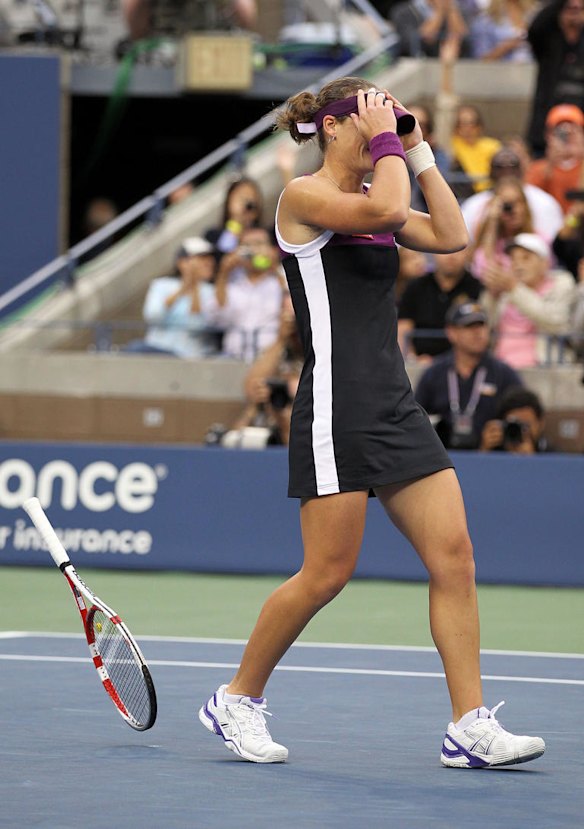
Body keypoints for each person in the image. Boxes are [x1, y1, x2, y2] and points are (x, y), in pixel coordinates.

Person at [198, 78, 545, 768]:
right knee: (327, 573)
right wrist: (390, 141)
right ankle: (236, 697)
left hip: (395, 402)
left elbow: (451, 235)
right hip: (336, 403)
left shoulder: (374, 197)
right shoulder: (301, 198)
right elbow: (388, 207)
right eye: (370, 113)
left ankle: (469, 725)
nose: (384, 125)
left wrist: (415, 148)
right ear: (332, 127)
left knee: (455, 557)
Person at [415, 301, 523, 449]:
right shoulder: (434, 374)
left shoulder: (504, 374)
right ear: (451, 332)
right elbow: (415, 418)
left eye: (481, 325)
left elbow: (523, 416)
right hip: (442, 455)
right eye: (469, 326)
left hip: (491, 456)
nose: (477, 332)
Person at [481, 232, 576, 367]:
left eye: (526, 258)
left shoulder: (561, 284)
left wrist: (515, 289)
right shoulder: (505, 289)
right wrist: (492, 297)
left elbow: (556, 322)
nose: (518, 264)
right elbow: (481, 328)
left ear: (545, 263)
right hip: (501, 368)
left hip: (542, 369)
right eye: (513, 259)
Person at [127, 237, 218, 356]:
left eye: (210, 258)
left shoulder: (211, 291)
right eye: (202, 258)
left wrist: (195, 287)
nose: (208, 263)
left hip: (189, 355)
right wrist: (183, 288)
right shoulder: (161, 285)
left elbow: (197, 326)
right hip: (156, 349)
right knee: (134, 348)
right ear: (182, 262)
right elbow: (153, 316)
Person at [206, 225, 285, 362]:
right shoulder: (232, 283)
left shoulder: (281, 278)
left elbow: (294, 304)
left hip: (271, 359)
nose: (253, 250)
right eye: (247, 245)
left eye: (259, 244)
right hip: (233, 357)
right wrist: (223, 273)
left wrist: (273, 266)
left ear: (272, 249)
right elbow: (217, 318)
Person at [461, 146, 565, 243]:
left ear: (521, 170)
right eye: (499, 167)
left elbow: (552, 243)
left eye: (512, 167)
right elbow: (466, 245)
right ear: (490, 171)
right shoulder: (474, 205)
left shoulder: (543, 202)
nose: (506, 172)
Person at [398, 249, 482, 360]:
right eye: (446, 250)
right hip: (420, 361)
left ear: (467, 253)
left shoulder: (478, 288)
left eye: (458, 250)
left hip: (464, 361)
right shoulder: (415, 287)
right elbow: (403, 330)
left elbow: (482, 331)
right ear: (434, 252)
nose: (451, 256)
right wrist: (412, 359)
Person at [526, 0, 584, 156]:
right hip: (546, 125)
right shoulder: (548, 40)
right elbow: (535, 27)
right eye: (569, 9)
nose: (574, 13)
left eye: (580, 9)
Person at [469, 175, 539, 279]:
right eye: (507, 204)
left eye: (518, 202)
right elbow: (482, 270)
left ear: (525, 205)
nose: (513, 210)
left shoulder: (539, 239)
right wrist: (492, 220)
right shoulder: (491, 242)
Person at [525, 104, 584, 214]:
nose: (569, 137)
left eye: (574, 131)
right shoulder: (536, 169)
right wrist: (550, 163)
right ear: (548, 135)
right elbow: (530, 200)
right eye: (561, 133)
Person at [204, 176, 264, 262]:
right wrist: (236, 223)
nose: (246, 204)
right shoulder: (212, 235)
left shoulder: (264, 234)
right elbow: (222, 254)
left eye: (251, 198)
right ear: (229, 201)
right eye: (241, 198)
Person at [449, 104, 502, 199]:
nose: (467, 128)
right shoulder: (452, 145)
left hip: (489, 193)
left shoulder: (493, 146)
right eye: (462, 124)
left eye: (471, 123)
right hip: (463, 194)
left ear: (479, 126)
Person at [479, 386, 551, 452]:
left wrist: (532, 459)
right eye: (514, 424)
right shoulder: (495, 449)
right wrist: (484, 450)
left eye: (526, 425)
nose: (521, 431)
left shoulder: (551, 454)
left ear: (541, 423)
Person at [469, 0, 537, 62]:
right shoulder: (485, 21)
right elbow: (480, 60)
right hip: (501, 69)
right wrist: (505, 47)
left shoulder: (533, 15)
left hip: (532, 67)